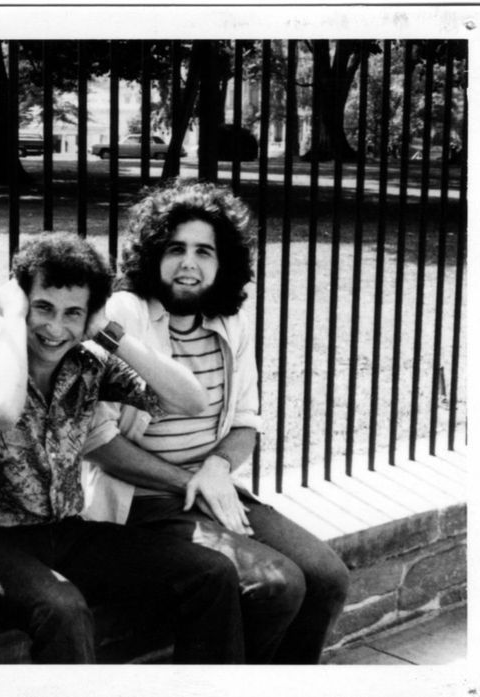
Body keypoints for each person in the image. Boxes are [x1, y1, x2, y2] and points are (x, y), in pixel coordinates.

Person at [0, 231, 246, 664]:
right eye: (42, 308)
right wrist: (11, 319)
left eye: (73, 314)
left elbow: (190, 400)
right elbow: (4, 409)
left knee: (212, 572)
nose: (55, 328)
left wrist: (109, 332)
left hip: (67, 531)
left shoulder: (86, 361)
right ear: (20, 300)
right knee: (63, 609)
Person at [83, 181, 350, 664]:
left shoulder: (230, 321)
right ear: (151, 255)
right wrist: (191, 481)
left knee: (327, 577)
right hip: (140, 503)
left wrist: (217, 469)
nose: (189, 263)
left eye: (204, 251)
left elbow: (245, 421)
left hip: (210, 489)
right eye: (175, 249)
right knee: (276, 584)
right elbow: (98, 443)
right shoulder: (124, 317)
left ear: (222, 262)